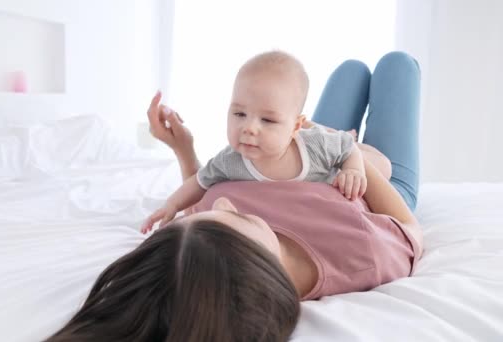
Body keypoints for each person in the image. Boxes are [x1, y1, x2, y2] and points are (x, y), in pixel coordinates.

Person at [44, 51, 423, 342]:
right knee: (398, 65)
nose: (222, 202)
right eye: (233, 217)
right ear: (252, 264)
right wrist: (353, 161)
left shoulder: (205, 243)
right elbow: (408, 227)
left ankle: (304, 123)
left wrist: (183, 149)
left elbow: (201, 193)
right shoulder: (362, 255)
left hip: (304, 148)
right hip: (369, 177)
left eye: (198, 217)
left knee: (350, 72)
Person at [141, 51, 367, 234]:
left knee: (354, 73)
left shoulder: (314, 146)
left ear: (296, 127)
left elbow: (347, 147)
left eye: (267, 120)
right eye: (239, 114)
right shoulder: (230, 161)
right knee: (354, 70)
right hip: (307, 131)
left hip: (348, 150)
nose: (249, 128)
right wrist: (171, 204)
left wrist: (354, 169)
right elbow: (199, 182)